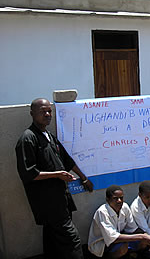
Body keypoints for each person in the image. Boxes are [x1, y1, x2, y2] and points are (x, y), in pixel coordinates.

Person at [15, 98, 93, 259]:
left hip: (61, 199)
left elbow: (67, 160)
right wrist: (58, 175)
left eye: (50, 111)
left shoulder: (49, 136)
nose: (47, 114)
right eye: (43, 111)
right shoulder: (28, 139)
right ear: (32, 114)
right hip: (47, 202)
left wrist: (83, 178)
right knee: (72, 240)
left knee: (52, 240)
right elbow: (28, 173)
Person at [88, 185, 150, 258]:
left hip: (120, 239)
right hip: (103, 245)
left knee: (144, 242)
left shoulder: (124, 207)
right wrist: (141, 236)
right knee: (123, 247)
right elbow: (113, 238)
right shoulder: (102, 212)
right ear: (108, 199)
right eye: (115, 198)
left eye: (121, 198)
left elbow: (133, 228)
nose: (119, 201)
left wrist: (148, 236)